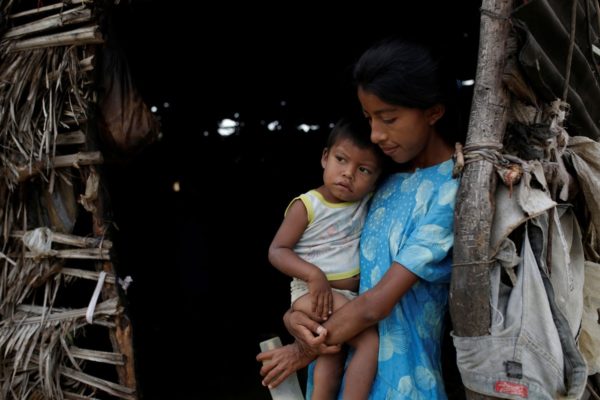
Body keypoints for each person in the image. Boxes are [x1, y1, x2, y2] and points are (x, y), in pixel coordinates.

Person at [257, 36, 460, 399]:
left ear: (433, 112)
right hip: (335, 367)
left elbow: (376, 304)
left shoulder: (451, 192)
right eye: (369, 118)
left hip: (402, 383)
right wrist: (295, 317)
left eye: (389, 118)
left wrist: (304, 349)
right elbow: (337, 267)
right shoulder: (379, 180)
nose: (376, 134)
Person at [268, 116, 384, 400]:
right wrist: (314, 275)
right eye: (341, 160)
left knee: (329, 356)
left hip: (341, 296)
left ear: (375, 181)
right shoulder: (307, 205)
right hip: (313, 293)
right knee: (368, 342)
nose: (348, 174)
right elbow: (277, 250)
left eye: (364, 170)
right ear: (325, 158)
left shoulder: (364, 201)